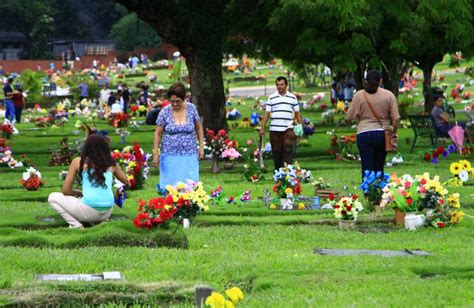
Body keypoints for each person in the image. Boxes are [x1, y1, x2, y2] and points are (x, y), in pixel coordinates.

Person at [48, 134, 129, 229]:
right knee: (86, 202)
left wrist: (78, 193)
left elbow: (66, 191)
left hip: (88, 211)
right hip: (107, 211)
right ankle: (98, 221)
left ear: (86, 148)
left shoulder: (78, 162)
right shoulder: (112, 164)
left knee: (52, 197)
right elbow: (126, 181)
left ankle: (76, 225)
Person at [347, 70, 400, 178]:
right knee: (379, 167)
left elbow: (349, 117)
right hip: (382, 134)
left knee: (366, 167)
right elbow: (396, 119)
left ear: (366, 80)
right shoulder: (388, 95)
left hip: (364, 133)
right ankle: (379, 191)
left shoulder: (359, 95)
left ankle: (368, 191)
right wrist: (394, 132)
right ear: (380, 81)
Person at [153, 82, 204, 191]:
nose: (175, 104)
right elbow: (158, 133)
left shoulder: (192, 109)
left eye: (178, 101)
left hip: (189, 154)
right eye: (172, 101)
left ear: (184, 98)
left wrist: (201, 147)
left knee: (190, 184)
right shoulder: (164, 111)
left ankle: (190, 206)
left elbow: (199, 128)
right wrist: (156, 154)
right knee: (170, 186)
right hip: (169, 155)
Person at [259, 76, 303, 171]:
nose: (279, 86)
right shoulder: (272, 98)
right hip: (275, 129)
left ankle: (286, 171)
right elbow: (267, 115)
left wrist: (301, 126)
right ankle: (278, 171)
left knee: (287, 147)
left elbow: (297, 113)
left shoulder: (292, 97)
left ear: (286, 85)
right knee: (276, 151)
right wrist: (262, 128)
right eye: (278, 85)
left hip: (288, 128)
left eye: (282, 84)